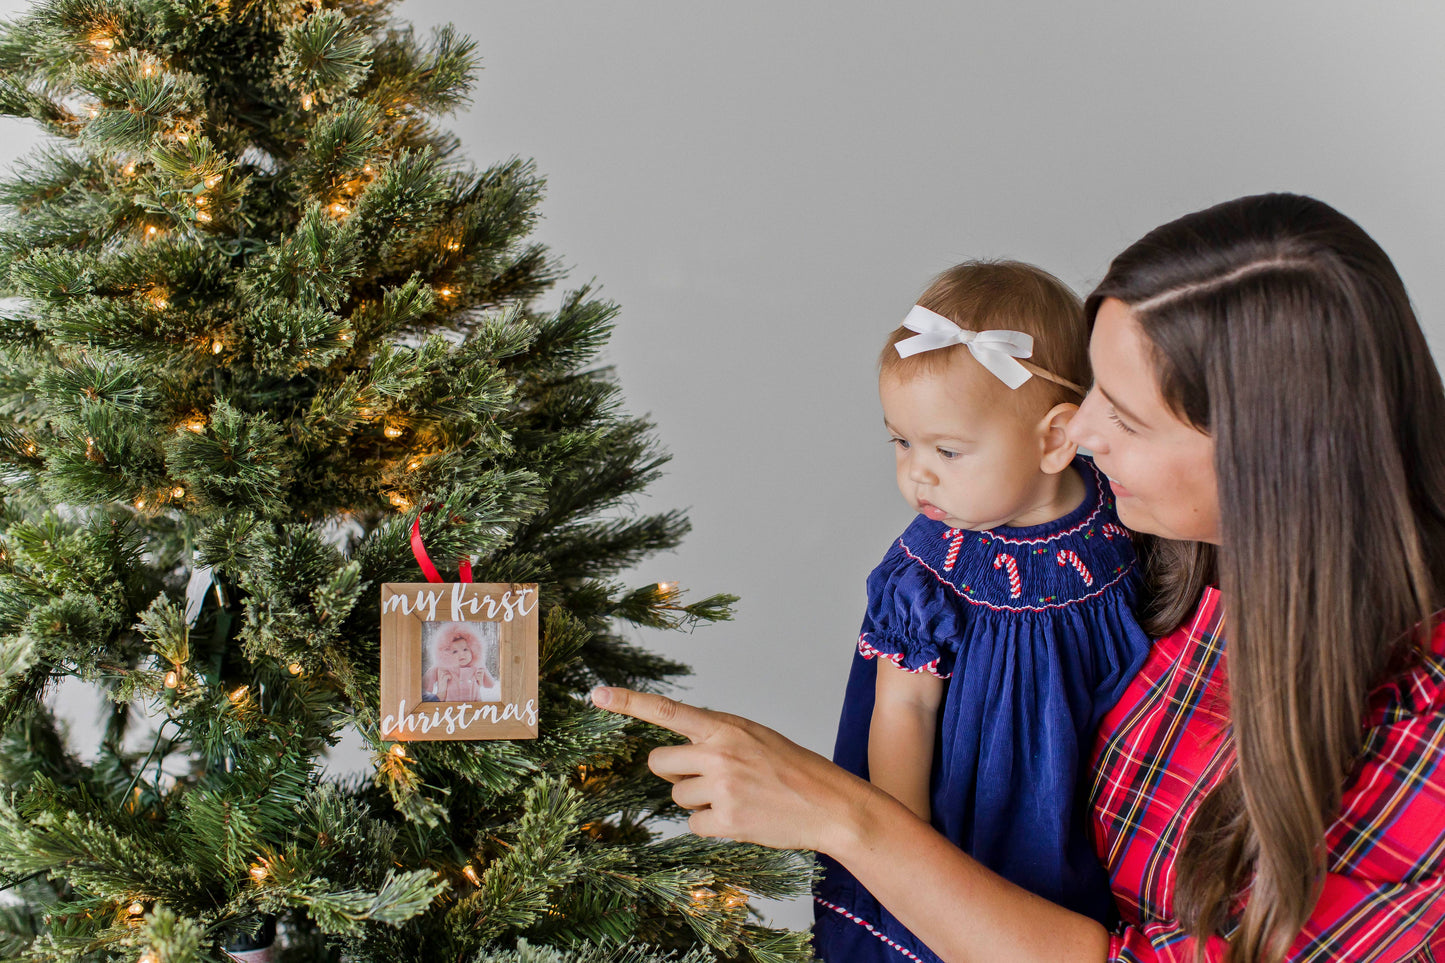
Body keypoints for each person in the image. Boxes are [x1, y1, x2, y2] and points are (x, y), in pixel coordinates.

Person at [591, 193, 1445, 962]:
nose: (1081, 433)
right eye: (1093, 389)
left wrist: (844, 819)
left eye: (1126, 415)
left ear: (1271, 455)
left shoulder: (1421, 737)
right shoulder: (1165, 556)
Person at [816, 261, 1152, 962]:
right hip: (977, 815)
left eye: (947, 449)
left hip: (1104, 797)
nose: (917, 473)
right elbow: (903, 710)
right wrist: (904, 858)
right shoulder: (930, 568)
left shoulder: (1122, 515)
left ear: (1056, 439)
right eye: (901, 443)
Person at [422, 622, 497, 702]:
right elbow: (424, 683)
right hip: (450, 706)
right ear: (446, 654)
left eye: (465, 649)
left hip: (474, 705)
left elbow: (490, 684)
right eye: (455, 652)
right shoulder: (442, 668)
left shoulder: (477, 666)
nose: (461, 654)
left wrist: (482, 678)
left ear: (473, 650)